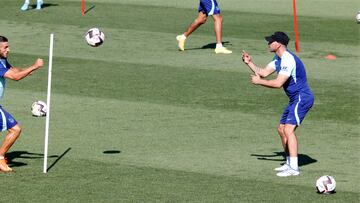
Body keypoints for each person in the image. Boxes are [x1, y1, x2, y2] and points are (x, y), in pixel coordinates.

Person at [241, 31, 314, 177]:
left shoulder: (288, 59)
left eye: (271, 41)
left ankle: (294, 168)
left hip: (302, 97)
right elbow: (263, 72)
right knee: (281, 129)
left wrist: (259, 82)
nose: (268, 43)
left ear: (279, 44)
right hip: (294, 99)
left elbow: (278, 83)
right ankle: (289, 163)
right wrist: (249, 63)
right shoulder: (278, 58)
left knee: (288, 130)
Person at [0, 36, 43, 172]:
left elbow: (13, 70)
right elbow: (15, 77)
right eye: (5, 47)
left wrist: (29, 70)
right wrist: (34, 66)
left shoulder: (2, 60)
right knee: (15, 129)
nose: (8, 49)